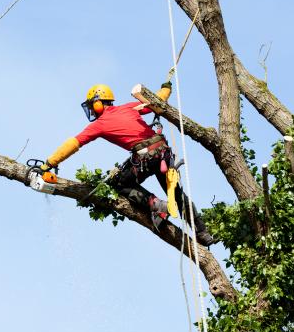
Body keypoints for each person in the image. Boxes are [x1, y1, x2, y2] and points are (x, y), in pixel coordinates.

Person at [40, 83, 215, 246]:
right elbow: (157, 99)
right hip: (163, 152)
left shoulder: (100, 125)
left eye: (92, 106)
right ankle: (202, 232)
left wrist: (49, 163)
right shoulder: (128, 107)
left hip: (146, 157)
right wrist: (166, 88)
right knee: (177, 194)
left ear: (98, 103)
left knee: (119, 184)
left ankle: (157, 205)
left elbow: (74, 143)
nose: (92, 111)